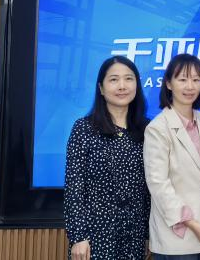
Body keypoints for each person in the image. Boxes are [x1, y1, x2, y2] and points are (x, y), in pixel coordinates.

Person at [64, 55, 150, 260]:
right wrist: (78, 236)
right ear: (101, 88)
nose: (122, 86)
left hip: (134, 235)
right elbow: (74, 186)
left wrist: (148, 234)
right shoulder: (84, 128)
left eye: (128, 79)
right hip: (95, 235)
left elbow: (149, 189)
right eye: (113, 79)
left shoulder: (147, 129)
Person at [144, 53, 200, 260]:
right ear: (169, 83)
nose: (190, 86)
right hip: (178, 234)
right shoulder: (158, 128)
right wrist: (191, 223)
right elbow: (158, 184)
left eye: (196, 80)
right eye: (183, 79)